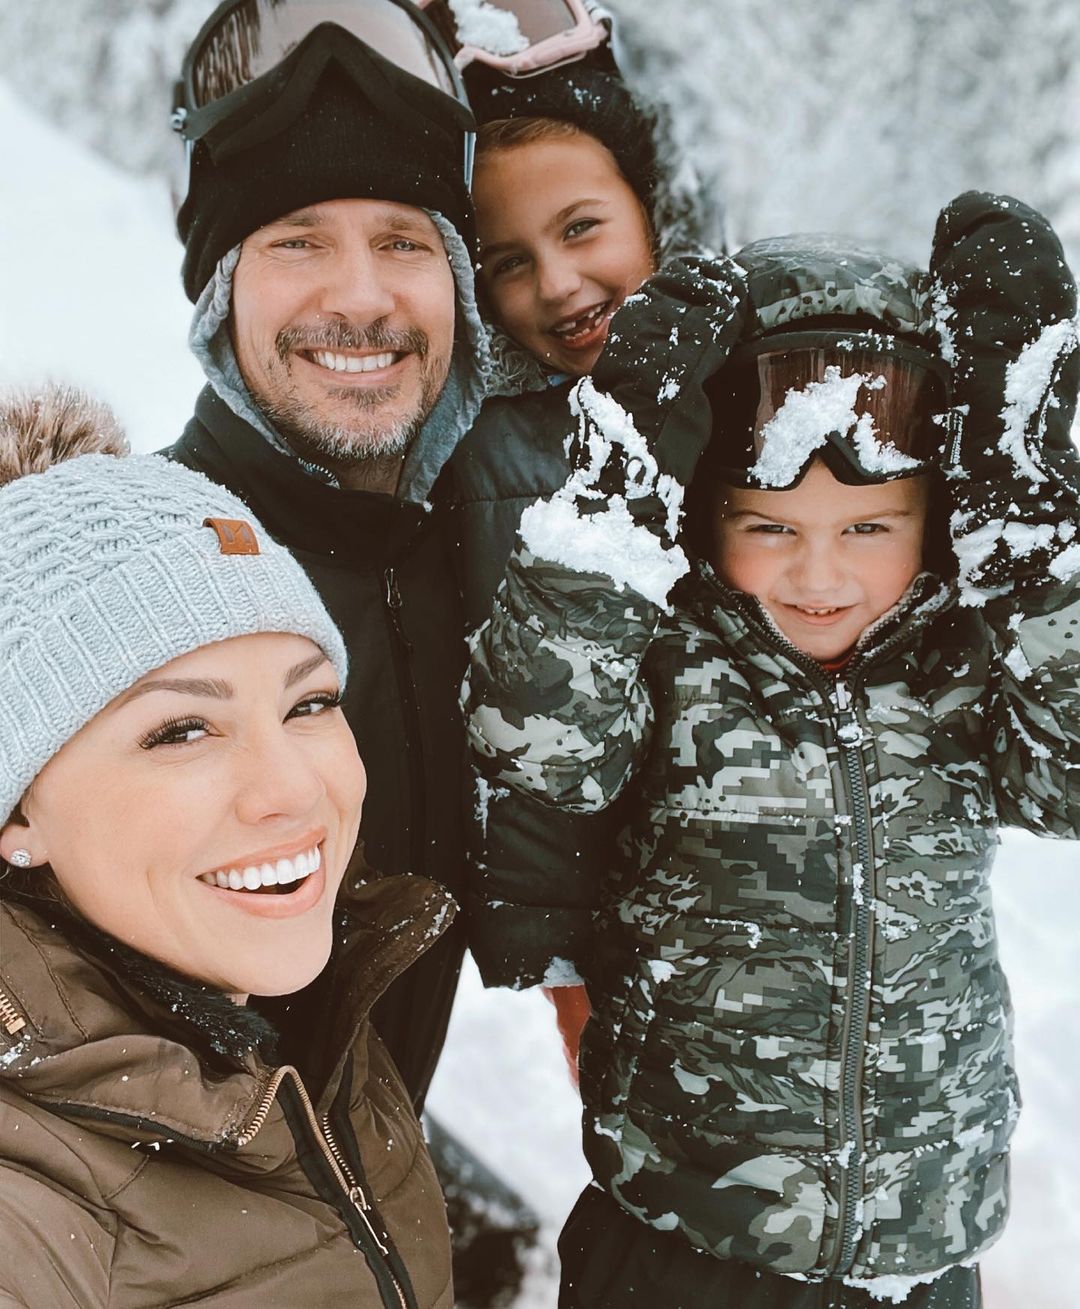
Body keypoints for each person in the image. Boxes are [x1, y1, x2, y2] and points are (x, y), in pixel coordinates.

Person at [464, 192, 1080, 1305]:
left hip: (924, 1255)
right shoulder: (673, 655)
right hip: (685, 1250)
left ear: (934, 522)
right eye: (771, 529)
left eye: (869, 529)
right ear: (707, 519)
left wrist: (1030, 525)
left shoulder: (956, 666)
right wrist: (611, 512)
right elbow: (538, 742)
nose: (821, 576)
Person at [0, 386, 455, 1307]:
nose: (292, 788)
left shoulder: (299, 1015)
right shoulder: (30, 1203)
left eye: (310, 703)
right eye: (180, 731)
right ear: (19, 816)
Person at [164, 0, 489, 1108]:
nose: (359, 298)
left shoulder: (488, 567)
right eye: (298, 238)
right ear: (221, 295)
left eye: (404, 242)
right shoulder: (132, 585)